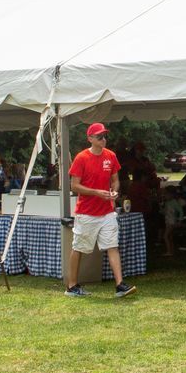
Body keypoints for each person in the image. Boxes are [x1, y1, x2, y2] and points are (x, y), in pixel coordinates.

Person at [63, 122, 134, 298]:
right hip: (86, 212)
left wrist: (114, 191)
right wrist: (96, 192)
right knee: (78, 247)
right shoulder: (81, 158)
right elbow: (74, 186)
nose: (104, 139)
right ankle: (71, 286)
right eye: (100, 136)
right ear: (90, 139)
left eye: (105, 136)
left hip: (107, 211)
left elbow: (115, 180)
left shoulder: (111, 156)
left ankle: (120, 285)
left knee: (112, 246)